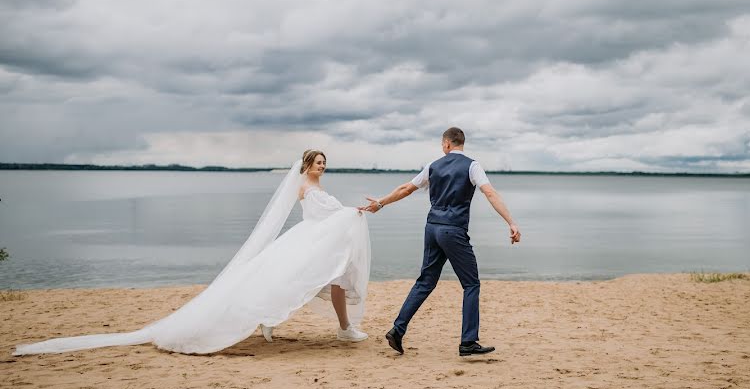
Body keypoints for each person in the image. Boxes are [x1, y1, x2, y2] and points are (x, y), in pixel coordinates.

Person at [14, 149, 370, 356]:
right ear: (306, 165)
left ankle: (335, 327)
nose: (322, 166)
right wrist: (353, 211)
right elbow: (322, 214)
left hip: (316, 238)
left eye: (324, 163)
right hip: (310, 238)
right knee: (292, 282)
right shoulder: (306, 187)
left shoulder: (317, 185)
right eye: (317, 162)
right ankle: (312, 324)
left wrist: (351, 212)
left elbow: (328, 214)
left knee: (313, 280)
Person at [360, 127, 520, 357]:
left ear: (446, 143)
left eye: (442, 144)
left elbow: (406, 188)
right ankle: (468, 342)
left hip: (432, 228)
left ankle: (397, 329)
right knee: (471, 284)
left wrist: (381, 203)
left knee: (425, 281)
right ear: (460, 143)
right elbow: (490, 193)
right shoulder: (472, 166)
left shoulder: (433, 165)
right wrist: (511, 222)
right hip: (453, 230)